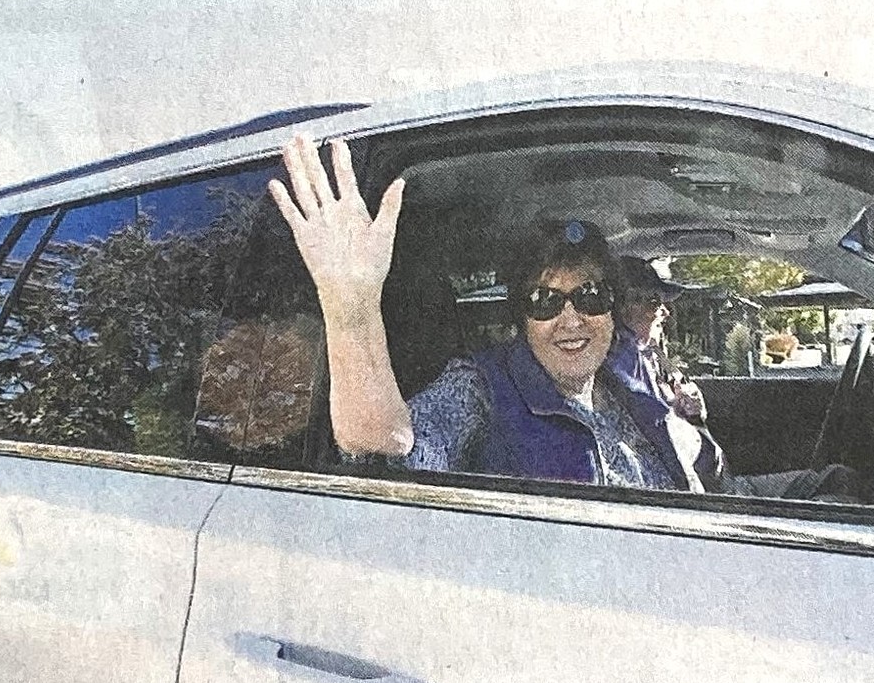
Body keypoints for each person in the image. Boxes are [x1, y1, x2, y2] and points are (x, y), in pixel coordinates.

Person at [268, 134, 717, 492]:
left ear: (610, 309)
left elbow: (693, 454)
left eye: (590, 296)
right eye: (545, 301)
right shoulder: (480, 388)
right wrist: (352, 305)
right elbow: (383, 443)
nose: (571, 318)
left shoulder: (625, 371)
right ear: (521, 316)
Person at [610, 257, 708, 423]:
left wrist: (683, 407)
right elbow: (652, 426)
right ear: (624, 307)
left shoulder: (647, 354)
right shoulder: (622, 361)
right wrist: (676, 410)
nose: (666, 312)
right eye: (654, 302)